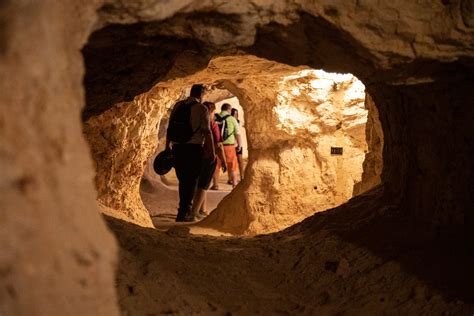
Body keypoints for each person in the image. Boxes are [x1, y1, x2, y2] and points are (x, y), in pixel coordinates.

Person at [165, 84, 215, 222]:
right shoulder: (201, 108)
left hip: (177, 148)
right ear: (201, 95)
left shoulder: (178, 106)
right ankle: (185, 212)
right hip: (193, 149)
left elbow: (170, 128)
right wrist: (211, 152)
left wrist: (167, 147)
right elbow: (206, 131)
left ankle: (182, 210)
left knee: (183, 180)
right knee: (192, 180)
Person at [190, 102, 227, 220]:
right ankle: (194, 213)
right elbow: (218, 145)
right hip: (209, 157)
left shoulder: (197, 122)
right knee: (204, 185)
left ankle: (202, 209)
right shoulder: (212, 124)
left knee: (199, 183)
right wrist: (223, 161)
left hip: (196, 155)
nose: (214, 114)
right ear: (210, 111)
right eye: (214, 112)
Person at [211, 103, 242, 189]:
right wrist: (239, 145)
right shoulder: (232, 119)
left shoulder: (215, 117)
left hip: (217, 145)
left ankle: (215, 185)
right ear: (229, 110)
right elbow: (237, 134)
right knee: (232, 165)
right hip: (229, 146)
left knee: (216, 165)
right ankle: (234, 184)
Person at [230, 108, 245, 182]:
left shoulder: (240, 122)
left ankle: (242, 176)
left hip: (239, 144)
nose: (236, 115)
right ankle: (231, 179)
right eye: (235, 114)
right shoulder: (230, 122)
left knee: (240, 161)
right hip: (232, 144)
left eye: (237, 114)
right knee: (232, 162)